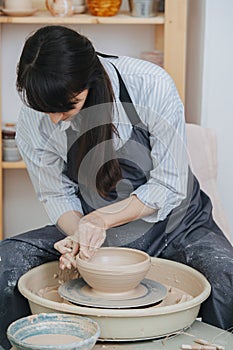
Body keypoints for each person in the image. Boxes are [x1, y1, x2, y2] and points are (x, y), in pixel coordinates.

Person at [0, 25, 233, 348]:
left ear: (90, 80)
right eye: (45, 109)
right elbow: (56, 194)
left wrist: (100, 220)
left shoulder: (149, 84)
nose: (54, 119)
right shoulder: (35, 119)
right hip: (97, 229)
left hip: (177, 223)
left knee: (226, 276)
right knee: (5, 262)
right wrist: (80, 234)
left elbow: (169, 183)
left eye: (67, 106)